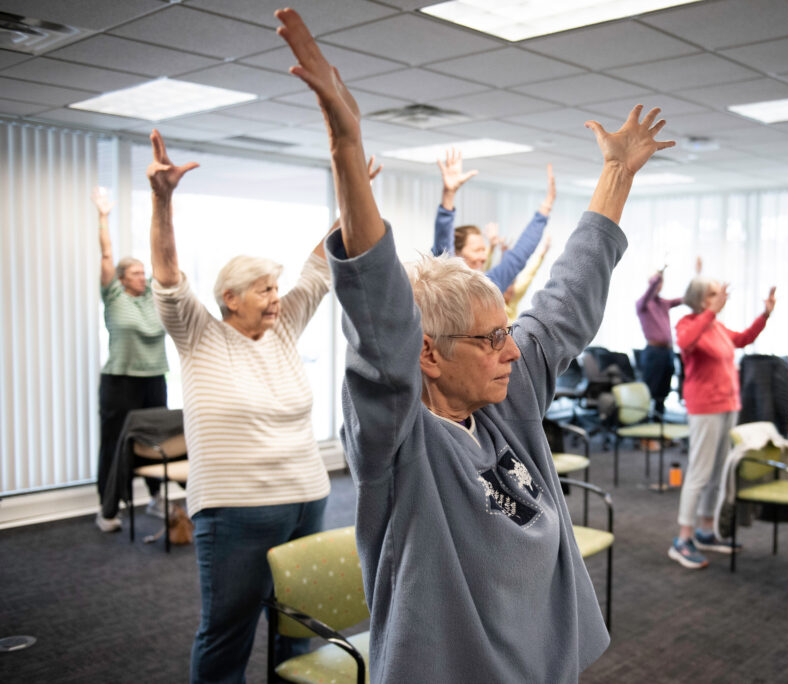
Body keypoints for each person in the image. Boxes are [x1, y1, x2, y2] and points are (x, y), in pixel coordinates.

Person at [275, 8, 674, 680]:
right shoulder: (398, 446)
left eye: (506, 336)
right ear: (428, 354)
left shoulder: (504, 400)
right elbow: (380, 331)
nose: (512, 352)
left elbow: (566, 300)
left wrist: (617, 176)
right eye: (492, 340)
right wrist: (347, 143)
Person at [145, 127, 334, 683]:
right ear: (230, 298)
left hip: (308, 498)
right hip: (236, 510)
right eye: (264, 290)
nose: (278, 298)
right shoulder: (199, 334)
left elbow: (322, 264)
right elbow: (167, 277)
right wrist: (162, 200)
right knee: (229, 630)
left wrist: (350, 185)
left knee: (298, 629)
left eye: (277, 288)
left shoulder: (285, 328)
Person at [670, 277, 776, 569]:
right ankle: (683, 539)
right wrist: (710, 313)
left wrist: (764, 315)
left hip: (728, 406)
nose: (721, 297)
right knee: (699, 473)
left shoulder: (715, 326)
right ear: (700, 299)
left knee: (717, 473)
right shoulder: (690, 324)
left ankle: (705, 532)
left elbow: (743, 339)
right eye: (714, 294)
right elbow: (685, 342)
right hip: (704, 408)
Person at [92, 186, 170, 533]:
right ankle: (108, 508)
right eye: (136, 273)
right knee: (115, 442)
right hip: (120, 380)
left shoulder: (153, 296)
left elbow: (163, 258)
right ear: (122, 280)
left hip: (154, 377)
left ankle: (156, 497)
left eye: (143, 272)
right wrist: (103, 217)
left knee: (158, 440)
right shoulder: (114, 297)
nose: (143, 276)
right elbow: (106, 256)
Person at [432, 151, 556, 292]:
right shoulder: (446, 282)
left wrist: (546, 207)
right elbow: (443, 245)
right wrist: (449, 194)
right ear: (457, 253)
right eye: (477, 250)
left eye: (484, 250)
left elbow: (518, 257)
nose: (484, 256)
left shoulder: (489, 285)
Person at [635, 263, 684, 416]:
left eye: (661, 282)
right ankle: (644, 431)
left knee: (663, 393)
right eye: (656, 281)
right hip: (654, 353)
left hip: (667, 352)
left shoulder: (664, 304)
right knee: (650, 391)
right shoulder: (643, 304)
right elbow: (650, 290)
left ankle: (658, 427)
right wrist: (659, 275)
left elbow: (685, 299)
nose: (658, 285)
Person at [503, 233, 551, 320]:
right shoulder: (494, 303)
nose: (510, 289)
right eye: (507, 286)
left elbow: (529, 273)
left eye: (512, 284)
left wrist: (543, 252)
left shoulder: (515, 294)